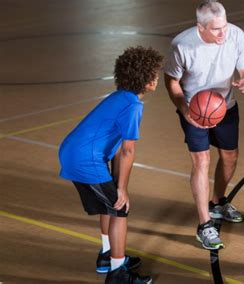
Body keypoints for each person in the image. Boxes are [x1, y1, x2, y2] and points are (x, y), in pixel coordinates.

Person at [58, 46, 163, 283]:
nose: (156, 77)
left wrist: (118, 183)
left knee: (111, 205)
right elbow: (127, 149)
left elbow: (116, 148)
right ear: (143, 79)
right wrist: (122, 189)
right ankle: (118, 274)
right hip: (85, 159)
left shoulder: (120, 97)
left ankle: (108, 255)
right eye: (153, 73)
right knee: (120, 209)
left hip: (76, 153)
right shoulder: (133, 105)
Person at [163, 0, 244, 250]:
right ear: (200, 27)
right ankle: (204, 224)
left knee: (230, 157)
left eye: (224, 26)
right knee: (201, 160)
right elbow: (171, 80)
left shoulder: (236, 35)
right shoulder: (182, 45)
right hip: (195, 109)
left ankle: (218, 202)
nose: (223, 33)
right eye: (216, 29)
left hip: (225, 106)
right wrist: (184, 108)